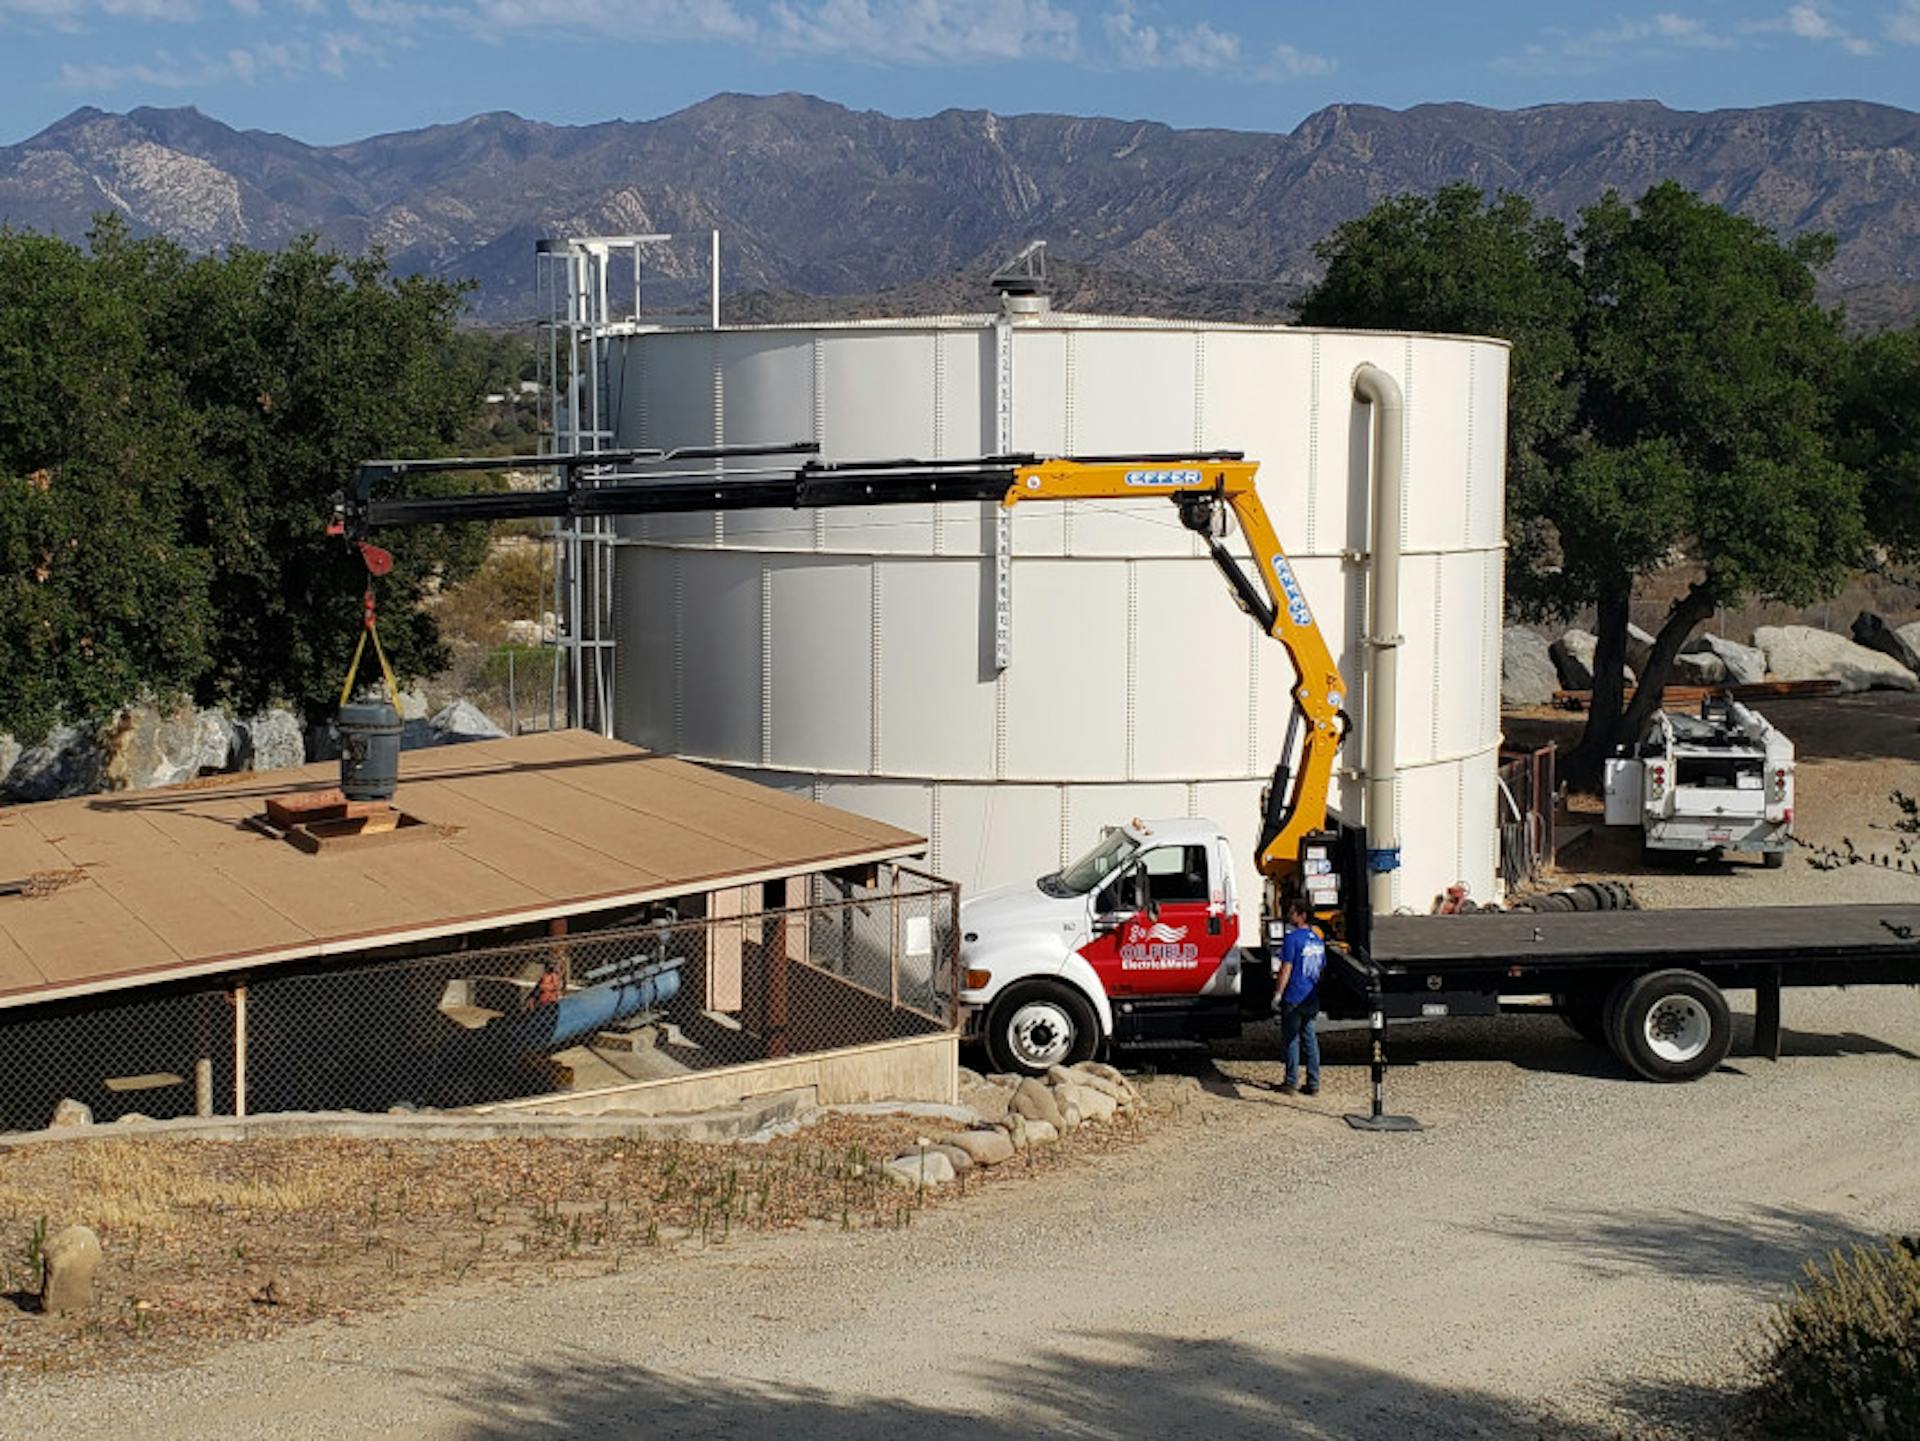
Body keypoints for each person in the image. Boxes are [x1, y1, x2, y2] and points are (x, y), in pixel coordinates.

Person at [1274, 898, 1325, 1096]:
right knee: (1310, 1038)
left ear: (1302, 915)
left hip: (1294, 995)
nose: (1289, 915)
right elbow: (1321, 969)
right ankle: (1313, 1082)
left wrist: (1278, 993)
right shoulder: (1317, 939)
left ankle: (1291, 1081)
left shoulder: (1292, 939)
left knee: (1291, 1039)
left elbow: (1286, 968)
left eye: (1293, 912)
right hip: (1311, 995)